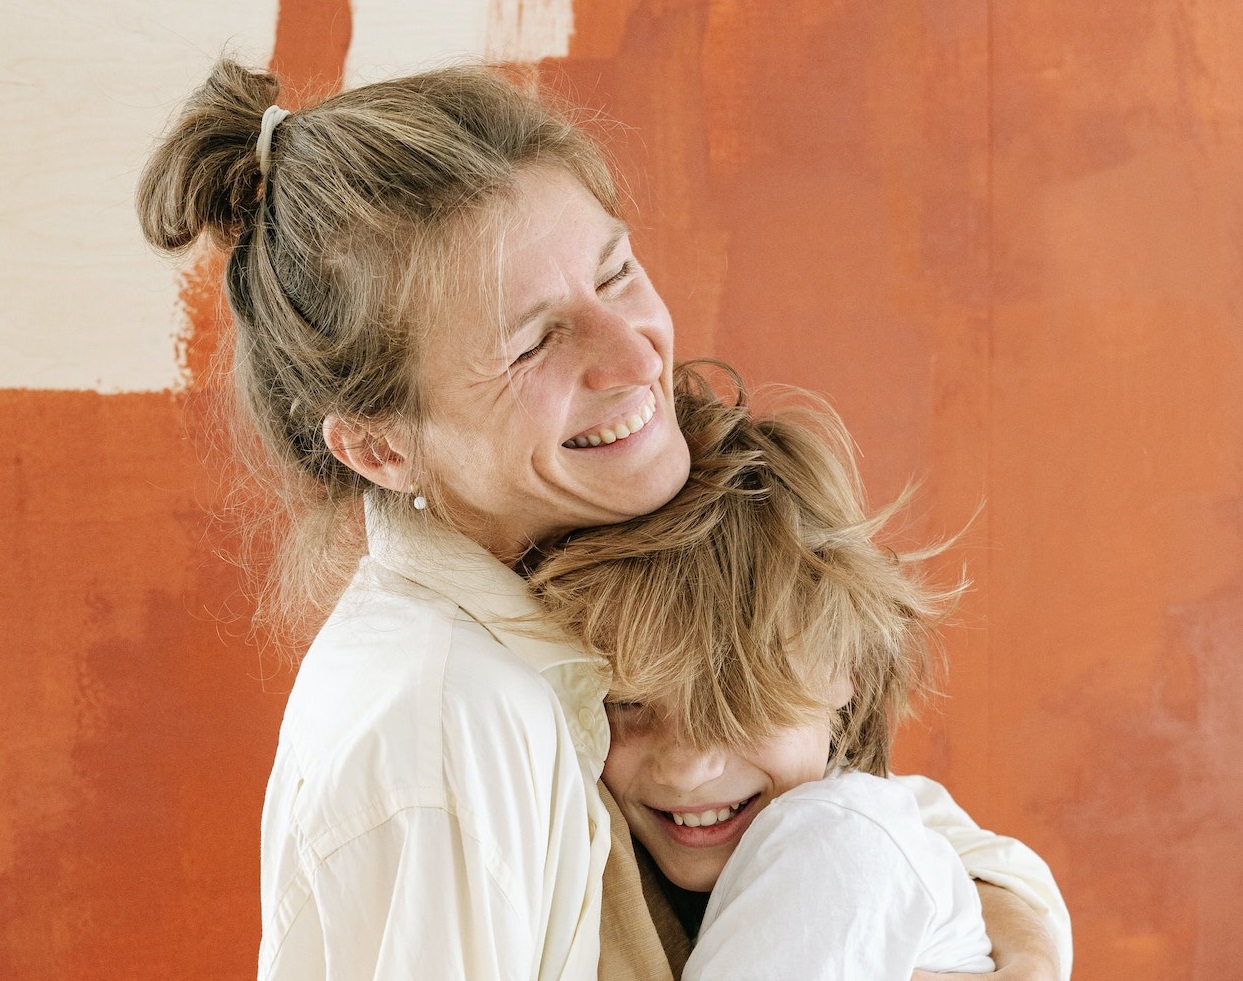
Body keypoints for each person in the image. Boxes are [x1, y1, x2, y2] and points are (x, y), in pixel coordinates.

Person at [137, 58, 1069, 980]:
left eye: (615, 272)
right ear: (382, 448)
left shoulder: (590, 551)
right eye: (531, 341)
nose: (635, 356)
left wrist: (1003, 912)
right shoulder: (453, 728)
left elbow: (853, 812)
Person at [531, 367, 1065, 978]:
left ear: (848, 668)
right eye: (627, 702)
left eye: (735, 700)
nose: (684, 768)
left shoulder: (837, 836)